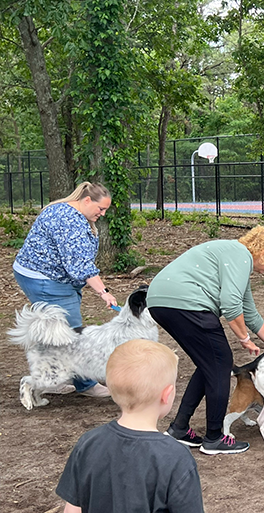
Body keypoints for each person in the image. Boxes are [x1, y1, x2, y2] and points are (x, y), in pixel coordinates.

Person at [146, 225, 264, 454]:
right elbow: (231, 306)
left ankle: (179, 428)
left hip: (161, 300)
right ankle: (214, 438)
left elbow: (249, 313)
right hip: (187, 303)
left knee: (209, 364)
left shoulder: (235, 257)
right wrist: (244, 338)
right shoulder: (240, 256)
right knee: (221, 362)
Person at [56, 339, 204, 513]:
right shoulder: (176, 457)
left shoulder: (87, 443)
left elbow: (72, 510)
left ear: (111, 390)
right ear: (167, 394)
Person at [13, 181, 119, 398]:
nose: (103, 213)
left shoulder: (68, 210)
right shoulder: (69, 220)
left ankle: (53, 376)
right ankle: (85, 383)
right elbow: (79, 264)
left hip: (45, 275)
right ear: (87, 200)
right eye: (101, 208)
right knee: (71, 332)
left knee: (58, 330)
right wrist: (103, 292)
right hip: (45, 278)